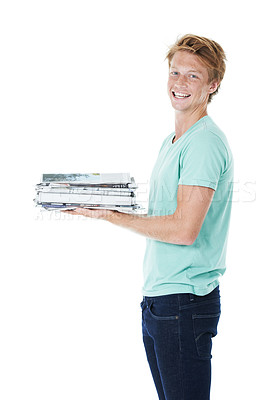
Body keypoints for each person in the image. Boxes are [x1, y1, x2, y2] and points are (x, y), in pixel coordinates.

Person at [63, 34, 234, 400]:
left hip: (183, 302)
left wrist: (112, 216)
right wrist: (107, 200)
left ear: (213, 84)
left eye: (193, 76)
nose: (180, 83)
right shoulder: (172, 141)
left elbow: (185, 230)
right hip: (160, 299)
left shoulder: (204, 142)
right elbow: (165, 216)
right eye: (175, 72)